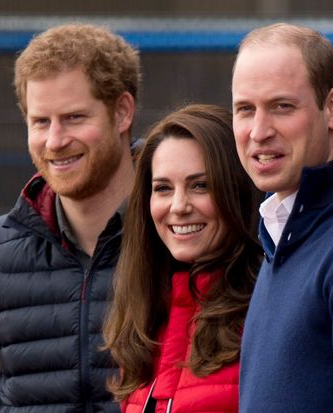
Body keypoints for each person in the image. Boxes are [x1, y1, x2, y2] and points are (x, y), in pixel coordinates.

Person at [0, 23, 141, 412]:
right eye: (40, 122)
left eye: (74, 117)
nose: (54, 141)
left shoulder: (180, 236)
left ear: (122, 112)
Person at [232, 22, 333, 412]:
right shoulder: (280, 234)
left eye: (282, 107)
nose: (259, 131)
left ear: (332, 108)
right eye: (245, 110)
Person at [103, 104, 263, 413]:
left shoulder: (267, 311)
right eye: (163, 188)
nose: (178, 206)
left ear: (237, 191)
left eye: (200, 185)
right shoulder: (144, 319)